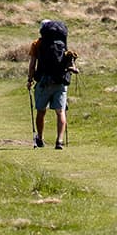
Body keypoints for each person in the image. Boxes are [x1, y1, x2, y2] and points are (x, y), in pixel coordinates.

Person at [27, 18, 77, 149]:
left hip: (43, 81)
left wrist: (29, 80)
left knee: (41, 111)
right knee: (60, 112)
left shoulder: (37, 43)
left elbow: (32, 65)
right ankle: (59, 141)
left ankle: (40, 138)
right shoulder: (62, 43)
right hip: (60, 81)